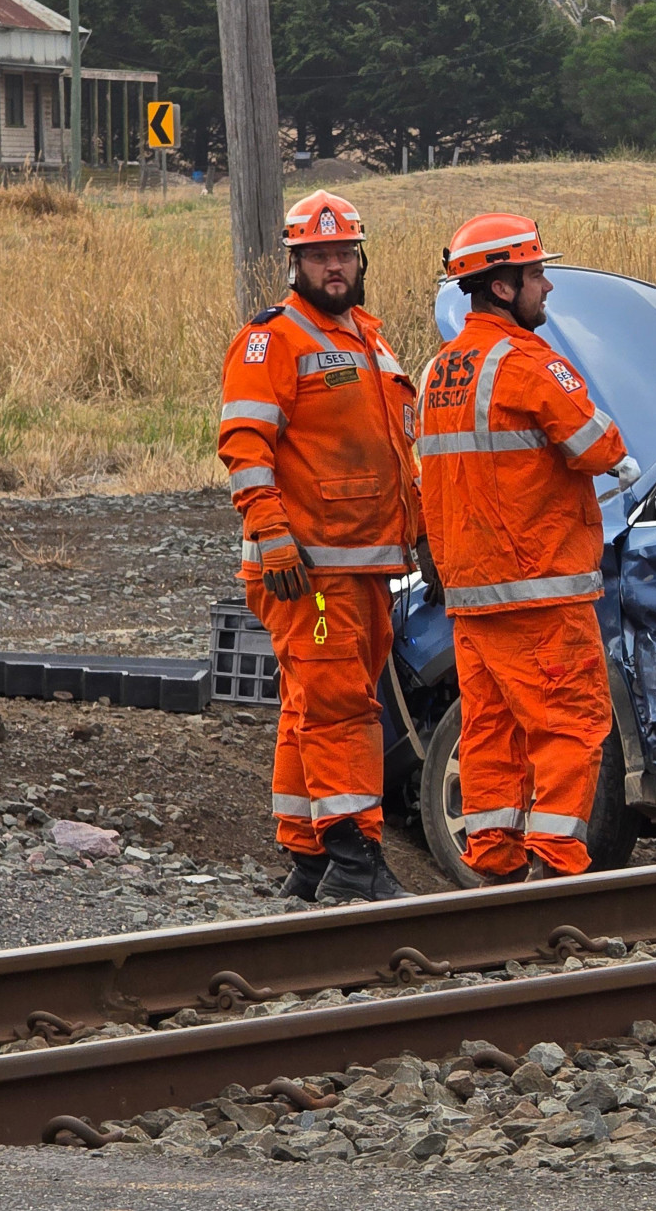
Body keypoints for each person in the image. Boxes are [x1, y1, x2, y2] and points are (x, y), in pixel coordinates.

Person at [217, 190, 439, 903]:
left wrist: (423, 534)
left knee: (311, 703)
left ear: (359, 256)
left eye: (343, 253)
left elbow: (398, 453)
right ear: (296, 262)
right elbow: (245, 444)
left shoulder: (367, 338)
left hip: (363, 565)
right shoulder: (273, 339)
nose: (334, 266)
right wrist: (272, 534)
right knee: (341, 705)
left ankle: (309, 854)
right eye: (319, 256)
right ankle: (355, 857)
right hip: (307, 571)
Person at [416, 213, 639, 883]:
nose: (546, 285)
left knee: (491, 731)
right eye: (536, 273)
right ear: (503, 285)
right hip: (540, 588)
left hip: (469, 598)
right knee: (573, 721)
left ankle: (493, 867)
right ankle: (557, 866)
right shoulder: (528, 363)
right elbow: (602, 446)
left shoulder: (437, 374)